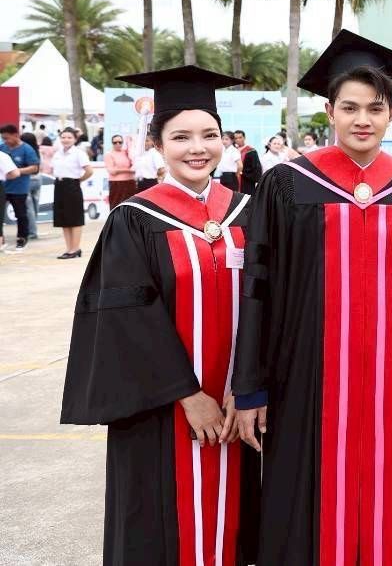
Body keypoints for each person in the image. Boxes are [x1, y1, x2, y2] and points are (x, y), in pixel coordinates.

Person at [232, 30, 392, 566]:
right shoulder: (286, 185)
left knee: (377, 493)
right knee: (301, 495)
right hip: (302, 374)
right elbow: (257, 285)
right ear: (329, 111)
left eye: (375, 108)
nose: (362, 120)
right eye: (349, 107)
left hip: (386, 378)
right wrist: (250, 386)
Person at [60, 65, 259, 566]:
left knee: (235, 521)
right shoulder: (134, 219)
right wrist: (188, 396)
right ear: (157, 144)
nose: (198, 148)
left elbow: (272, 304)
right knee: (163, 526)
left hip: (238, 405)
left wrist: (249, 387)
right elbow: (128, 321)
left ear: (224, 140)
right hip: (163, 411)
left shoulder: (250, 213)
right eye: (181, 137)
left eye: (209, 135)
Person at [51, 127, 92, 259]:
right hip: (59, 185)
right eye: (63, 137)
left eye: (69, 137)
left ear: (75, 139)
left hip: (72, 185)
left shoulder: (78, 153)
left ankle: (75, 248)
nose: (66, 140)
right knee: (63, 218)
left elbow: (89, 171)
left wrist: (79, 180)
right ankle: (69, 248)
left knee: (74, 218)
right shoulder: (57, 153)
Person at [1, 124, 40, 251]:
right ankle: (1, 239)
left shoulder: (27, 149)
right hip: (3, 187)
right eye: (3, 138)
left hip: (19, 187)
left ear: (15, 135)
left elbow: (34, 168)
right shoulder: (2, 148)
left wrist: (16, 171)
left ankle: (22, 238)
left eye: (7, 138)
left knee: (21, 214)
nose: (5, 141)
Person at [102, 134, 136, 209]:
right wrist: (128, 170)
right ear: (112, 143)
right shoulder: (109, 154)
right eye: (115, 142)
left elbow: (135, 165)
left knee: (130, 206)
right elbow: (112, 171)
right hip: (117, 183)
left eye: (120, 142)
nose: (118, 144)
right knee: (116, 205)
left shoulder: (127, 153)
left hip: (130, 182)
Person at [22, 131, 40, 239]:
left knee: (28, 207)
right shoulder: (37, 150)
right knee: (35, 206)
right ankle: (34, 229)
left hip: (27, 179)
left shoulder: (25, 151)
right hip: (38, 179)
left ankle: (32, 231)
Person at [233, 130, 262, 195]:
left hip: (246, 181)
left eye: (240, 137)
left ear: (244, 138)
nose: (238, 140)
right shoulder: (232, 150)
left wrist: (243, 173)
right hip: (234, 180)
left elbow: (256, 168)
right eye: (236, 138)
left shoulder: (251, 151)